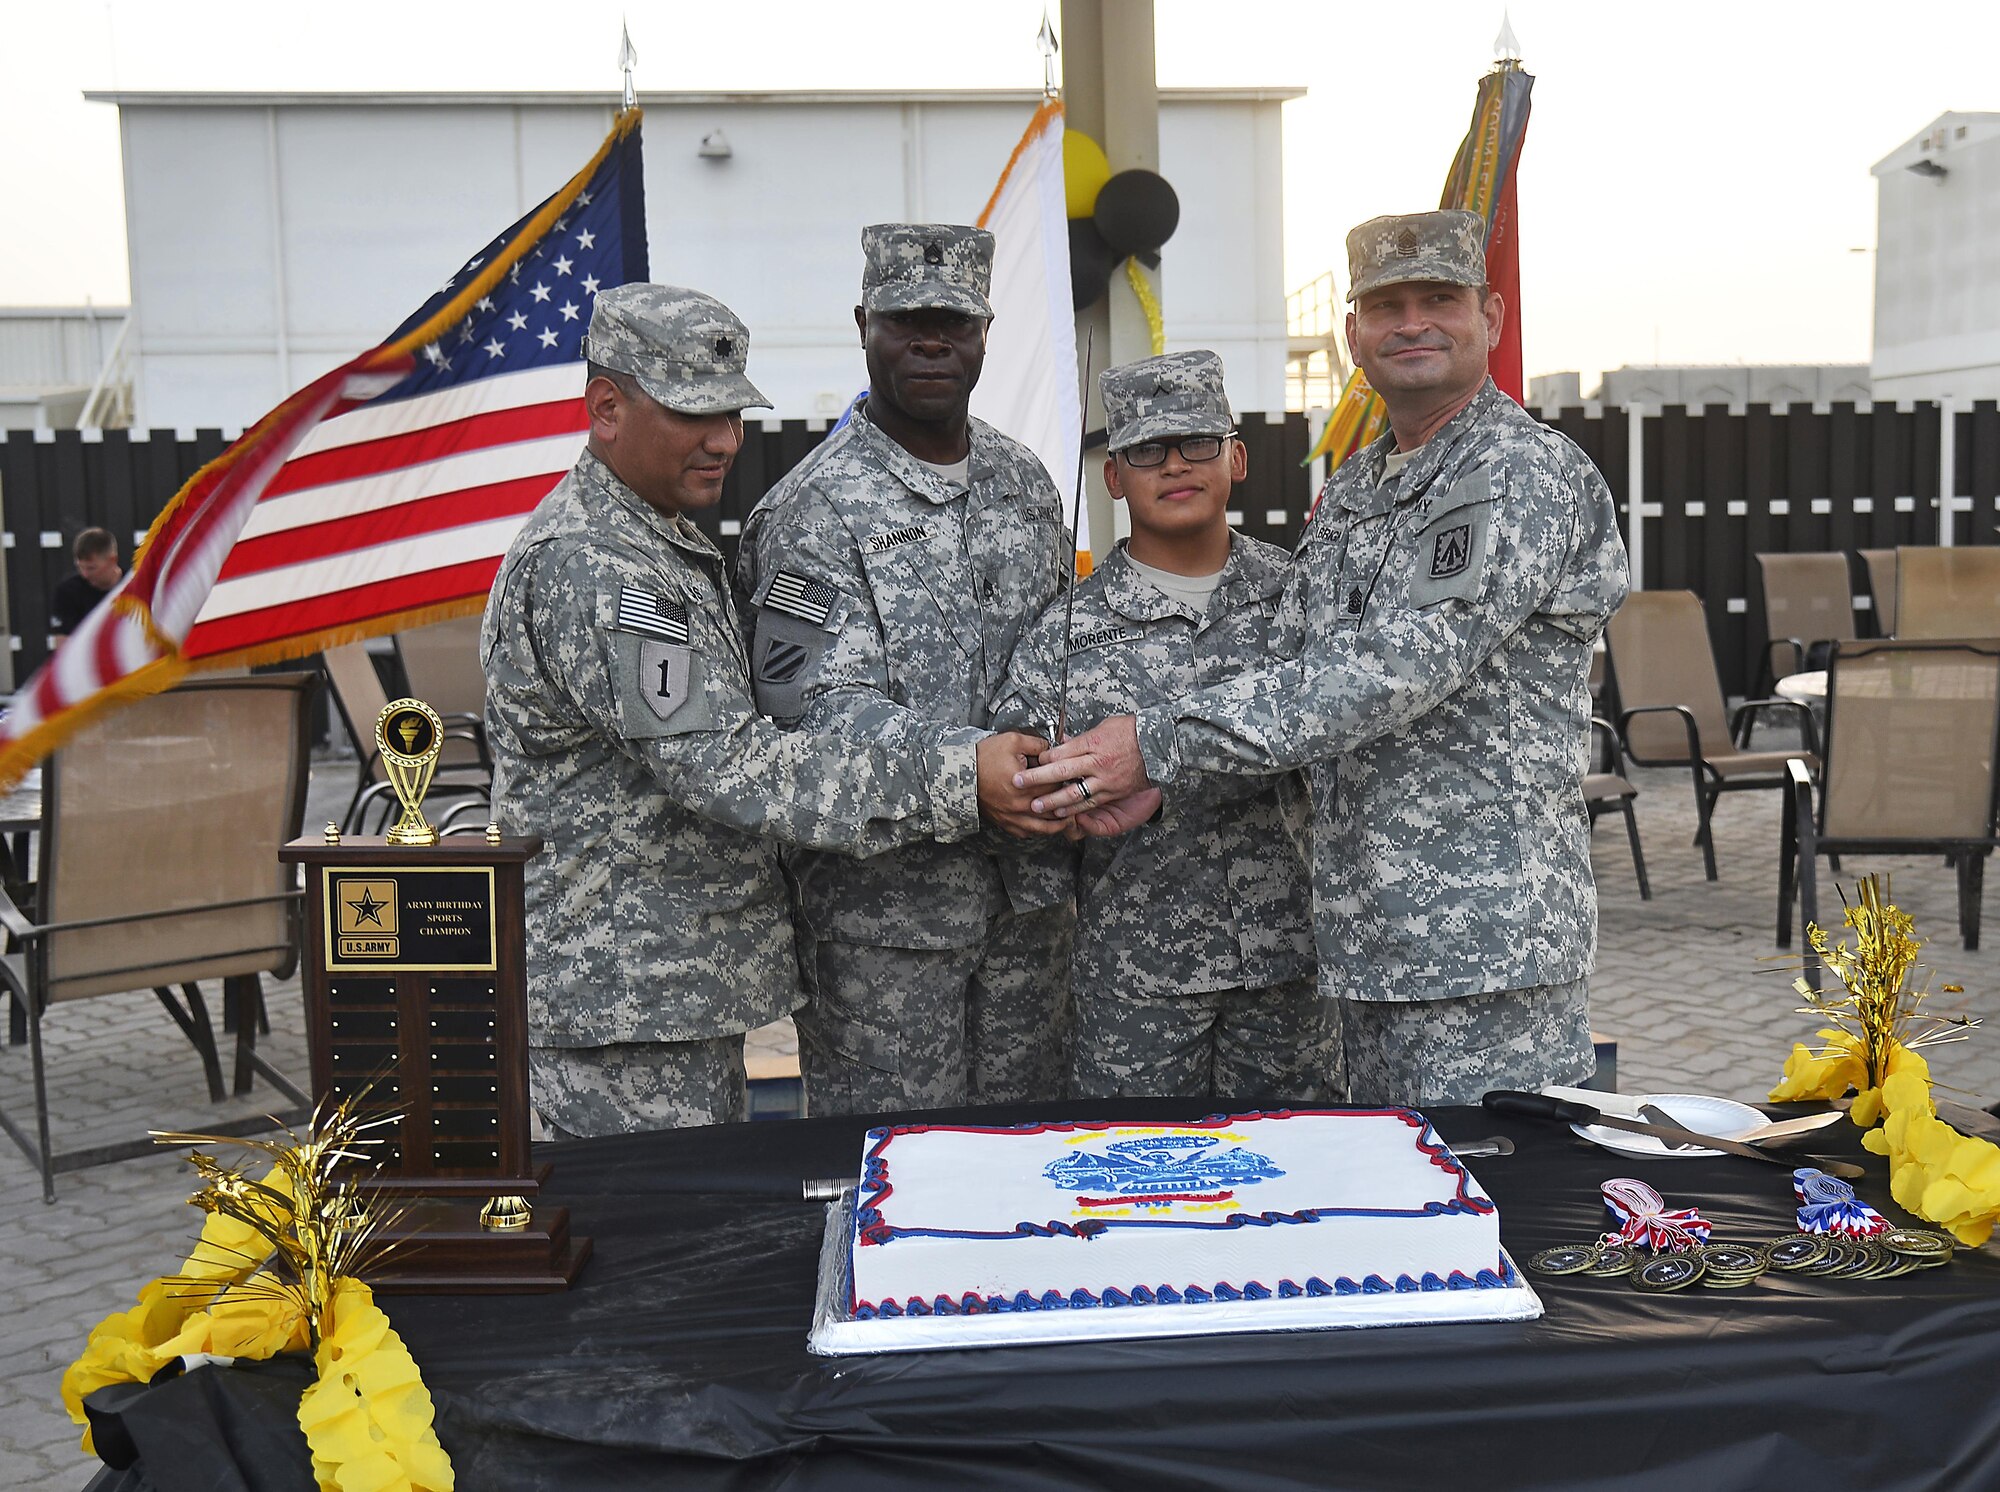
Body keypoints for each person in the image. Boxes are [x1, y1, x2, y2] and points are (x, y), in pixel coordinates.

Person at [1016, 209, 1631, 1106]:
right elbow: (1292, 674)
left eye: (1440, 300)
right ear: (1353, 335)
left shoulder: (1516, 470)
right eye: (1386, 306)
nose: (1412, 323)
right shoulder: (1354, 493)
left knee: (1495, 1213)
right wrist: (1151, 780)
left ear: (1490, 317)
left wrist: (1155, 745)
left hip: (1483, 949)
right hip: (1361, 943)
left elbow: (1399, 664)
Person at [481, 284, 1053, 1137]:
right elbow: (734, 765)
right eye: (694, 415)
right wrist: (962, 774)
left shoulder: (655, 542)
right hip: (625, 1005)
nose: (725, 441)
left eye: (733, 414)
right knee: (663, 1259)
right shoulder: (594, 566)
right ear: (607, 407)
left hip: (667, 995)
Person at [737, 223, 1076, 1116]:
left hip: (1033, 913)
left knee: (1032, 1168)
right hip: (884, 933)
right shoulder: (811, 511)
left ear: (985, 334)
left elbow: (1057, 654)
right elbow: (806, 717)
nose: (933, 340)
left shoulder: (1025, 484)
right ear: (863, 325)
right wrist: (973, 769)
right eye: (907, 320)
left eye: (955, 322)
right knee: (896, 1180)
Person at [991, 350, 1338, 1103]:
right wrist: (1073, 811)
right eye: (1146, 450)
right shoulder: (1066, 631)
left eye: (1197, 443)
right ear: (1113, 477)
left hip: (1293, 970)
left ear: (1237, 458)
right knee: (1136, 1194)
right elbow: (1022, 792)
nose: (1174, 465)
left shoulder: (1303, 600)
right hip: (1136, 985)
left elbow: (1351, 737)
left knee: (1294, 1188)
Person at [51, 527, 122, 636]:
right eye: (80, 567)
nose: (84, 575)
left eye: (91, 568)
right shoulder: (68, 592)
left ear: (112, 560)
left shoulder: (135, 585)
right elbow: (64, 645)